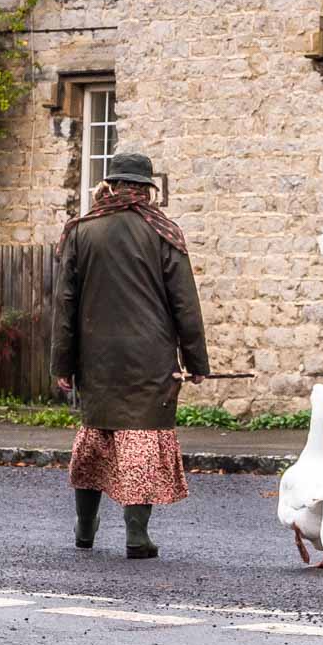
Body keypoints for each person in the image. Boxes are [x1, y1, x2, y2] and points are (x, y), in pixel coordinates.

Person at [51, 151, 210, 559]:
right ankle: (137, 537)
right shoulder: (164, 231)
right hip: (150, 359)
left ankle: (85, 529)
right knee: (141, 443)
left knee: (96, 442)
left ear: (110, 185)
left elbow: (65, 303)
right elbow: (185, 304)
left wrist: (62, 364)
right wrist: (196, 362)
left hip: (96, 359)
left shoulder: (81, 230)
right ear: (147, 189)